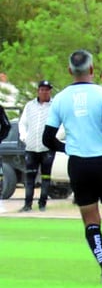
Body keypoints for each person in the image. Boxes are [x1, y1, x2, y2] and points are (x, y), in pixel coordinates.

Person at [41, 50, 102, 285]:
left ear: (70, 71)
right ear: (92, 70)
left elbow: (47, 139)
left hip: (79, 165)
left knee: (90, 220)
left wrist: (69, 148)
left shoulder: (60, 99)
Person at [19, 80, 56, 212]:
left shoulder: (54, 106)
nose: (44, 92)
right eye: (42, 89)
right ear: (38, 91)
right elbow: (23, 123)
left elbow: (61, 124)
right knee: (30, 177)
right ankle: (27, 204)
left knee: (46, 177)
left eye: (47, 90)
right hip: (31, 147)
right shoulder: (29, 106)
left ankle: (42, 204)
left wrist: (56, 138)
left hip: (47, 148)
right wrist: (24, 137)